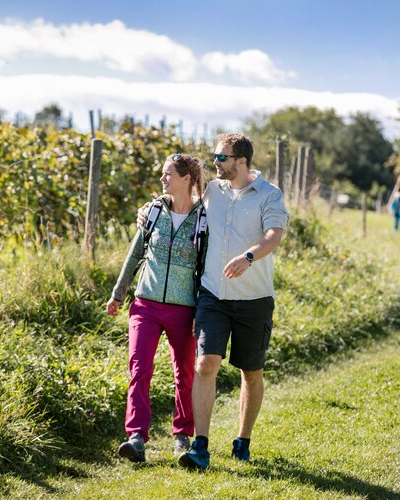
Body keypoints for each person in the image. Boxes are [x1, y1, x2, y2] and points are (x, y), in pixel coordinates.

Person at [140, 133, 288, 470]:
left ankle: (243, 440)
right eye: (215, 157)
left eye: (221, 158)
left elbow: (274, 235)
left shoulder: (269, 195)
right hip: (212, 295)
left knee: (251, 372)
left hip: (254, 298)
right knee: (206, 364)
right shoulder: (212, 191)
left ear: (241, 161)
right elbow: (179, 202)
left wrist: (248, 256)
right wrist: (148, 210)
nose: (215, 163)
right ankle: (200, 445)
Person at [107, 153, 205, 463]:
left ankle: (182, 436)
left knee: (185, 374)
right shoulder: (152, 212)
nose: (163, 179)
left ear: (186, 178)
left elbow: (206, 268)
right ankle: (136, 437)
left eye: (168, 174)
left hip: (184, 309)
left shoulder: (204, 218)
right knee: (139, 370)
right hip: (145, 304)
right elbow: (135, 253)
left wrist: (201, 312)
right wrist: (118, 294)